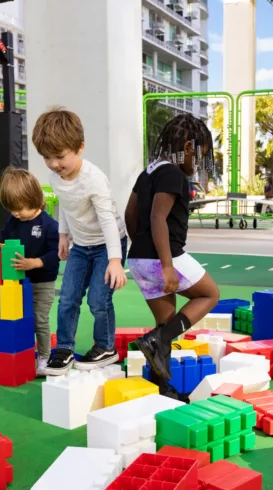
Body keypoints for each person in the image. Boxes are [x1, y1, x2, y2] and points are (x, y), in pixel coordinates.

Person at [126, 114, 220, 391]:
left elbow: (130, 212)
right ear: (188, 149)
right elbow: (158, 217)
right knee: (210, 293)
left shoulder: (149, 172)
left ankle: (162, 388)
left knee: (164, 323)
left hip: (140, 258)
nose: (198, 164)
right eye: (199, 156)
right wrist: (165, 264)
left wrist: (141, 245)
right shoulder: (173, 173)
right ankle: (160, 338)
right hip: (164, 258)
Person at [31, 107, 128, 375]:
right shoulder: (56, 177)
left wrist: (115, 261)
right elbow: (65, 205)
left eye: (60, 156)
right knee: (68, 299)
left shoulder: (93, 180)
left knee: (98, 299)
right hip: (80, 246)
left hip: (108, 246)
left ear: (80, 148)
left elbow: (108, 220)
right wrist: (63, 235)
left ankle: (106, 346)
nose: (53, 164)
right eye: (47, 157)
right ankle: (63, 348)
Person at [0, 166, 59, 376]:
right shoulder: (13, 222)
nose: (16, 213)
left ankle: (44, 356)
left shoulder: (48, 225)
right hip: (16, 283)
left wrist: (35, 263)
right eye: (11, 209)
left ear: (33, 198)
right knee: (18, 318)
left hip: (41, 283)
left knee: (39, 318)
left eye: (20, 208)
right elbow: (3, 243)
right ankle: (24, 352)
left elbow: (57, 254)